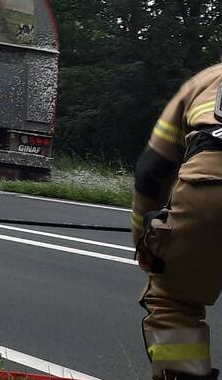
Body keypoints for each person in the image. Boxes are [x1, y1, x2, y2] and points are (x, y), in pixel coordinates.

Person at [133, 63, 222, 380]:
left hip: (210, 182)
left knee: (173, 303)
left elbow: (151, 171)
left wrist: (145, 242)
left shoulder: (205, 81)